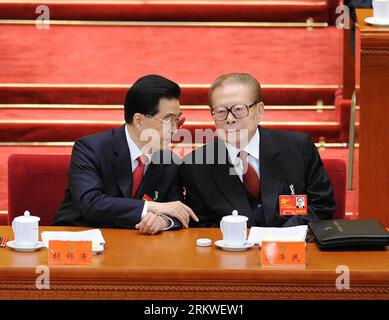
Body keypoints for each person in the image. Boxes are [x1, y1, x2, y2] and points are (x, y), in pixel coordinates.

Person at [181, 73, 335, 228]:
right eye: (221, 111)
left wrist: (282, 236)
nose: (230, 119)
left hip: (292, 246)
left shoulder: (298, 148)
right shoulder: (195, 166)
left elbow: (322, 206)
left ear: (260, 111)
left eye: (239, 109)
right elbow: (200, 226)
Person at [54, 74, 198, 234]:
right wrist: (152, 207)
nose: (174, 130)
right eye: (168, 120)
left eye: (176, 120)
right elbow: (91, 204)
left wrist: (164, 220)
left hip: (136, 246)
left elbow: (177, 210)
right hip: (81, 239)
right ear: (139, 121)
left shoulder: (169, 161)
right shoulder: (91, 148)